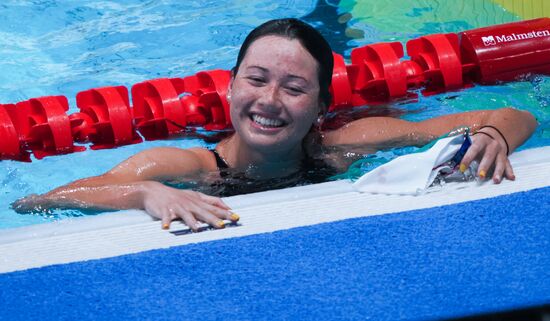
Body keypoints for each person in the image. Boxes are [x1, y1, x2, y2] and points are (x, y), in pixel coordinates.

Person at [12, 18, 538, 231]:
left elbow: (514, 113)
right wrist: (146, 192)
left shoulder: (343, 145)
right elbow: (31, 201)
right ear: (231, 86)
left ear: (320, 103)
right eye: (256, 80)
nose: (269, 101)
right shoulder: (190, 165)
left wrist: (492, 135)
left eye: (293, 88)